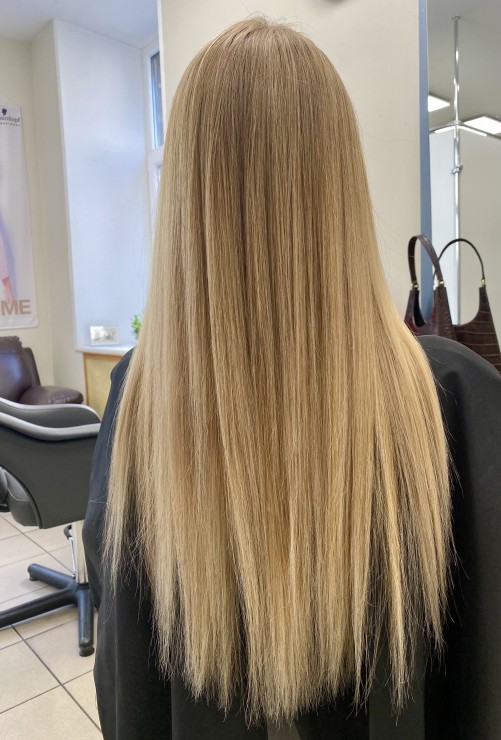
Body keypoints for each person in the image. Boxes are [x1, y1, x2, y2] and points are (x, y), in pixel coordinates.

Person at [83, 18, 501, 740]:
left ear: (184, 204)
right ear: (341, 186)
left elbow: (128, 691)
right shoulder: (455, 397)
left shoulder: (137, 401)